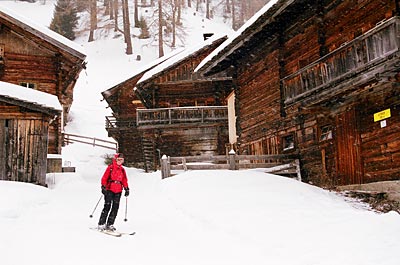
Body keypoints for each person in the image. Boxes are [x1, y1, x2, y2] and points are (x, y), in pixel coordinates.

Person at [98, 153, 129, 231]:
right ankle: (101, 223)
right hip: (109, 189)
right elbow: (104, 178)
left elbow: (124, 180)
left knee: (115, 208)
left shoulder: (122, 169)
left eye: (121, 160)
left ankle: (110, 224)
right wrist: (103, 186)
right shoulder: (110, 168)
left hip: (118, 190)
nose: (120, 161)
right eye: (118, 160)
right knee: (107, 206)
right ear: (115, 160)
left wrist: (126, 188)